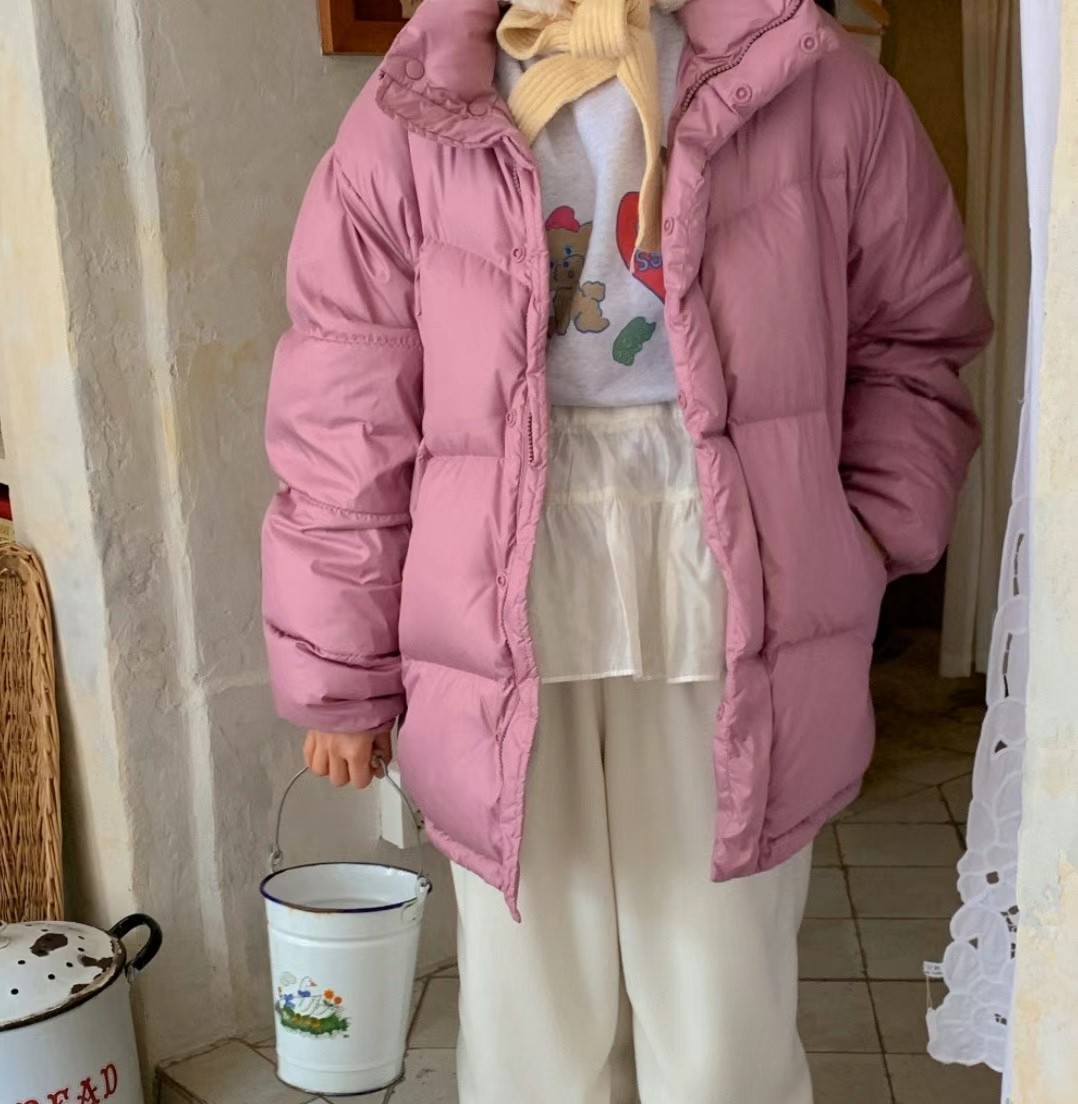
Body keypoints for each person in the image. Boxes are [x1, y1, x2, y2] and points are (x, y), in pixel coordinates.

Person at [261, 0, 992, 1099]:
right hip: (491, 598)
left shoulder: (815, 83)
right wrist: (340, 668)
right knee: (533, 1004)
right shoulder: (412, 109)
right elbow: (344, 404)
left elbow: (914, 333)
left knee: (719, 991)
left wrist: (865, 534)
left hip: (727, 585)